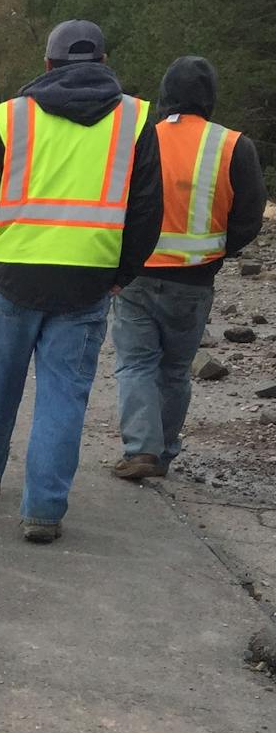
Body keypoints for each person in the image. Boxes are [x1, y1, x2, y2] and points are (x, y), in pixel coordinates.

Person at [0, 19, 162, 543]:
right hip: (87, 283)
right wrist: (122, 274)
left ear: (46, 65)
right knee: (63, 398)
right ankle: (44, 511)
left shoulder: (12, 117)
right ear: (103, 61)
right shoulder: (135, 120)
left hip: (12, 277)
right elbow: (146, 209)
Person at [110, 57, 268, 479]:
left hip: (136, 276)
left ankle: (141, 449)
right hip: (195, 280)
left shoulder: (139, 139)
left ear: (165, 96)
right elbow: (250, 216)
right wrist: (219, 249)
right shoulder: (234, 145)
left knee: (135, 364)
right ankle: (161, 452)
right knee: (175, 371)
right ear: (210, 99)